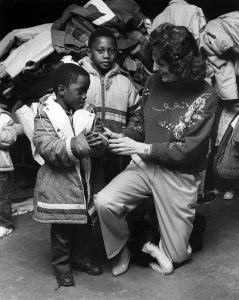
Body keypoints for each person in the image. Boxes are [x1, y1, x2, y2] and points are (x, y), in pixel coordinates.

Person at [94, 23, 218, 276]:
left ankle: (188, 225)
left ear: (182, 63)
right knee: (104, 202)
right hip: (144, 165)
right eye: (155, 60)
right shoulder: (153, 81)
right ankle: (121, 250)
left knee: (175, 257)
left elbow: (187, 150)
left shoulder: (206, 95)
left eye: (162, 62)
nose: (155, 67)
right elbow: (140, 122)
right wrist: (122, 137)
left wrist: (139, 146)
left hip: (178, 174)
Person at [33, 63, 107, 287]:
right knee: (62, 231)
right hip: (60, 186)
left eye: (86, 91)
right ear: (62, 90)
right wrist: (80, 144)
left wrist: (98, 142)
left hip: (85, 180)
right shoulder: (46, 114)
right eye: (81, 91)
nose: (85, 96)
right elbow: (47, 147)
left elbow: (101, 138)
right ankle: (62, 267)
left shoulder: (88, 113)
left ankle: (81, 258)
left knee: (85, 226)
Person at [65, 28, 143, 184]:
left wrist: (127, 133)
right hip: (85, 148)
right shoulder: (78, 78)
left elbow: (138, 112)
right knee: (86, 187)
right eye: (100, 51)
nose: (106, 56)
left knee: (113, 190)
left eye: (111, 51)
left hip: (116, 151)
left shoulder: (125, 83)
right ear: (89, 52)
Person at [0, 107, 18, 238]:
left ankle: (5, 225)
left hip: (2, 168)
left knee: (2, 197)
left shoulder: (4, 117)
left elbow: (10, 139)